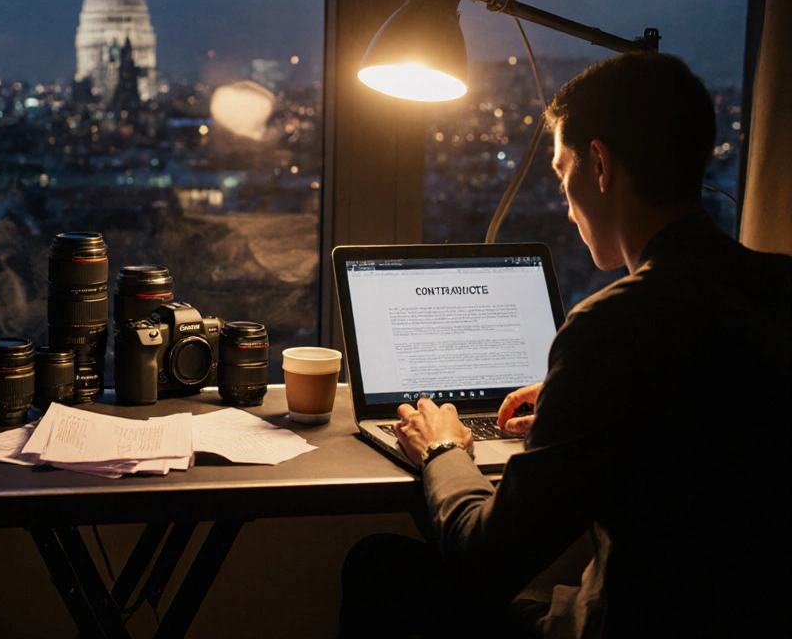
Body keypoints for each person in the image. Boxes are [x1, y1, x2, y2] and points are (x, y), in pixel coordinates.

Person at [339, 52, 792, 638]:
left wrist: (443, 450)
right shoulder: (780, 287)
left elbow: (485, 560)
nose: (565, 201)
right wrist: (572, 402)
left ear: (599, 164)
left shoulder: (613, 325)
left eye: (561, 172)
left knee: (379, 566)